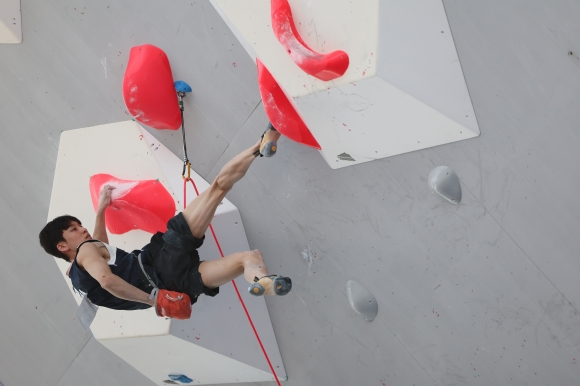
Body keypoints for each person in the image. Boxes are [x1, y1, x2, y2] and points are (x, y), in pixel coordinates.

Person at [39, 128, 290, 319]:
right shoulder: (86, 253)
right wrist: (155, 299)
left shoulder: (81, 277)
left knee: (247, 257)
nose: (81, 229)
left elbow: (99, 245)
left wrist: (101, 210)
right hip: (161, 261)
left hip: (177, 286)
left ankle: (261, 280)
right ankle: (264, 141)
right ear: (62, 246)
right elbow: (107, 280)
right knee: (217, 189)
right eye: (73, 229)